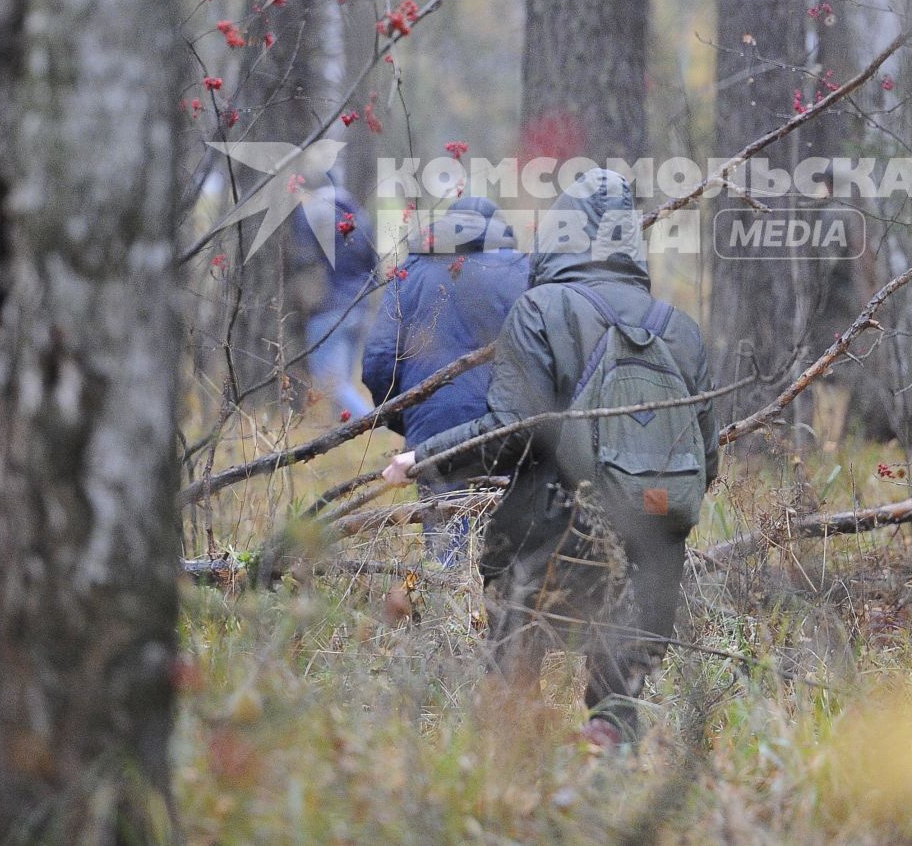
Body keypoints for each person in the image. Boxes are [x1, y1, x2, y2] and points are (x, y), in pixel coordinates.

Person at [381, 170, 717, 746]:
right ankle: (609, 755)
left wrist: (422, 458)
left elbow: (512, 433)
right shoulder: (680, 329)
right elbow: (706, 461)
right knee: (617, 699)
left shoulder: (542, 310)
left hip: (552, 540)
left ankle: (516, 778)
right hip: (656, 546)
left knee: (514, 679)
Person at [361, 196, 528, 564]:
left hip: (433, 428)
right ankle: (496, 614)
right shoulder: (522, 271)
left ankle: (449, 611)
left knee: (447, 550)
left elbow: (378, 361)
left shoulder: (413, 272)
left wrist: (408, 418)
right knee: (503, 546)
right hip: (504, 425)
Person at [288, 180, 379, 418]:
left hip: (329, 310)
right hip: (361, 306)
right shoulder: (359, 215)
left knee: (332, 384)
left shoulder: (310, 212)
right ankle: (348, 442)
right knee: (344, 384)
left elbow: (303, 260)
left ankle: (374, 426)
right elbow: (374, 265)